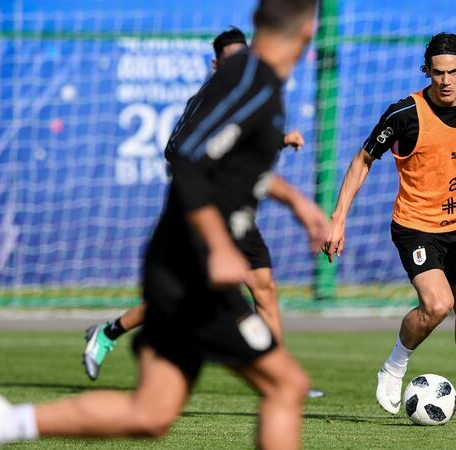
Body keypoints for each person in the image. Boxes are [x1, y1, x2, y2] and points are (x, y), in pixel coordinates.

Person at [0, 1, 321, 449]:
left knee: (150, 413)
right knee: (285, 385)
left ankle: (4, 422)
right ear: (308, 30)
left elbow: (235, 169)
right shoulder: (250, 80)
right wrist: (220, 247)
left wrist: (299, 203)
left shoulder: (257, 82)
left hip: (179, 263)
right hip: (196, 267)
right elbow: (186, 159)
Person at [82, 28, 324, 398]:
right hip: (206, 220)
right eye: (231, 60)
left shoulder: (255, 97)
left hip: (241, 217)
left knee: (265, 288)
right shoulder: (205, 99)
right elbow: (179, 150)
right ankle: (110, 331)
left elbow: (241, 153)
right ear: (216, 65)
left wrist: (292, 188)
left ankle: (280, 373)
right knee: (184, 301)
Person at [322, 32, 456, 422]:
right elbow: (363, 160)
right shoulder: (405, 114)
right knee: (437, 304)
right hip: (416, 226)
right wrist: (338, 218)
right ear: (426, 72)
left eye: (452, 72)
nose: (445, 81)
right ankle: (393, 368)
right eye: (436, 73)